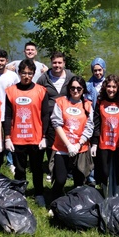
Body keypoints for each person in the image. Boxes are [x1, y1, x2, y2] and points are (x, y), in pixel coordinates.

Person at [4, 59, 49, 207]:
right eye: (23, 73)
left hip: (36, 137)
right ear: (19, 73)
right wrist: (7, 137)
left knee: (37, 169)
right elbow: (8, 116)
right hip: (18, 138)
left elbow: (45, 115)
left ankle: (39, 193)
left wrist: (44, 136)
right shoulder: (11, 91)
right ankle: (19, 193)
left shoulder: (41, 91)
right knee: (20, 169)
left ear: (34, 74)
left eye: (30, 73)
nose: (27, 76)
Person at [49, 76, 94, 200]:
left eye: (79, 88)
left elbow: (89, 127)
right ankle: (54, 202)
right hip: (62, 147)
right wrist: (68, 144)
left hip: (81, 148)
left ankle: (75, 204)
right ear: (69, 89)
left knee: (79, 180)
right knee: (60, 179)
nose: (75, 91)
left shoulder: (88, 105)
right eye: (73, 88)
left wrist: (78, 144)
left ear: (83, 90)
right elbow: (56, 123)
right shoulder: (61, 102)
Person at [37, 52, 74, 180]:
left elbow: (77, 92)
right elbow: (37, 95)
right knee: (51, 143)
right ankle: (51, 168)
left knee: (68, 141)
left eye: (59, 63)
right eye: (54, 63)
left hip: (68, 117)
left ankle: (68, 169)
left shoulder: (70, 77)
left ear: (64, 63)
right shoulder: (44, 78)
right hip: (50, 117)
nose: (57, 65)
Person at [90, 74, 119, 197]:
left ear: (118, 88)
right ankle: (106, 194)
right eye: (109, 86)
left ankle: (118, 196)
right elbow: (96, 123)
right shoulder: (100, 102)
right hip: (104, 142)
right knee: (104, 171)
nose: (111, 89)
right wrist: (94, 143)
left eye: (114, 87)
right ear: (105, 87)